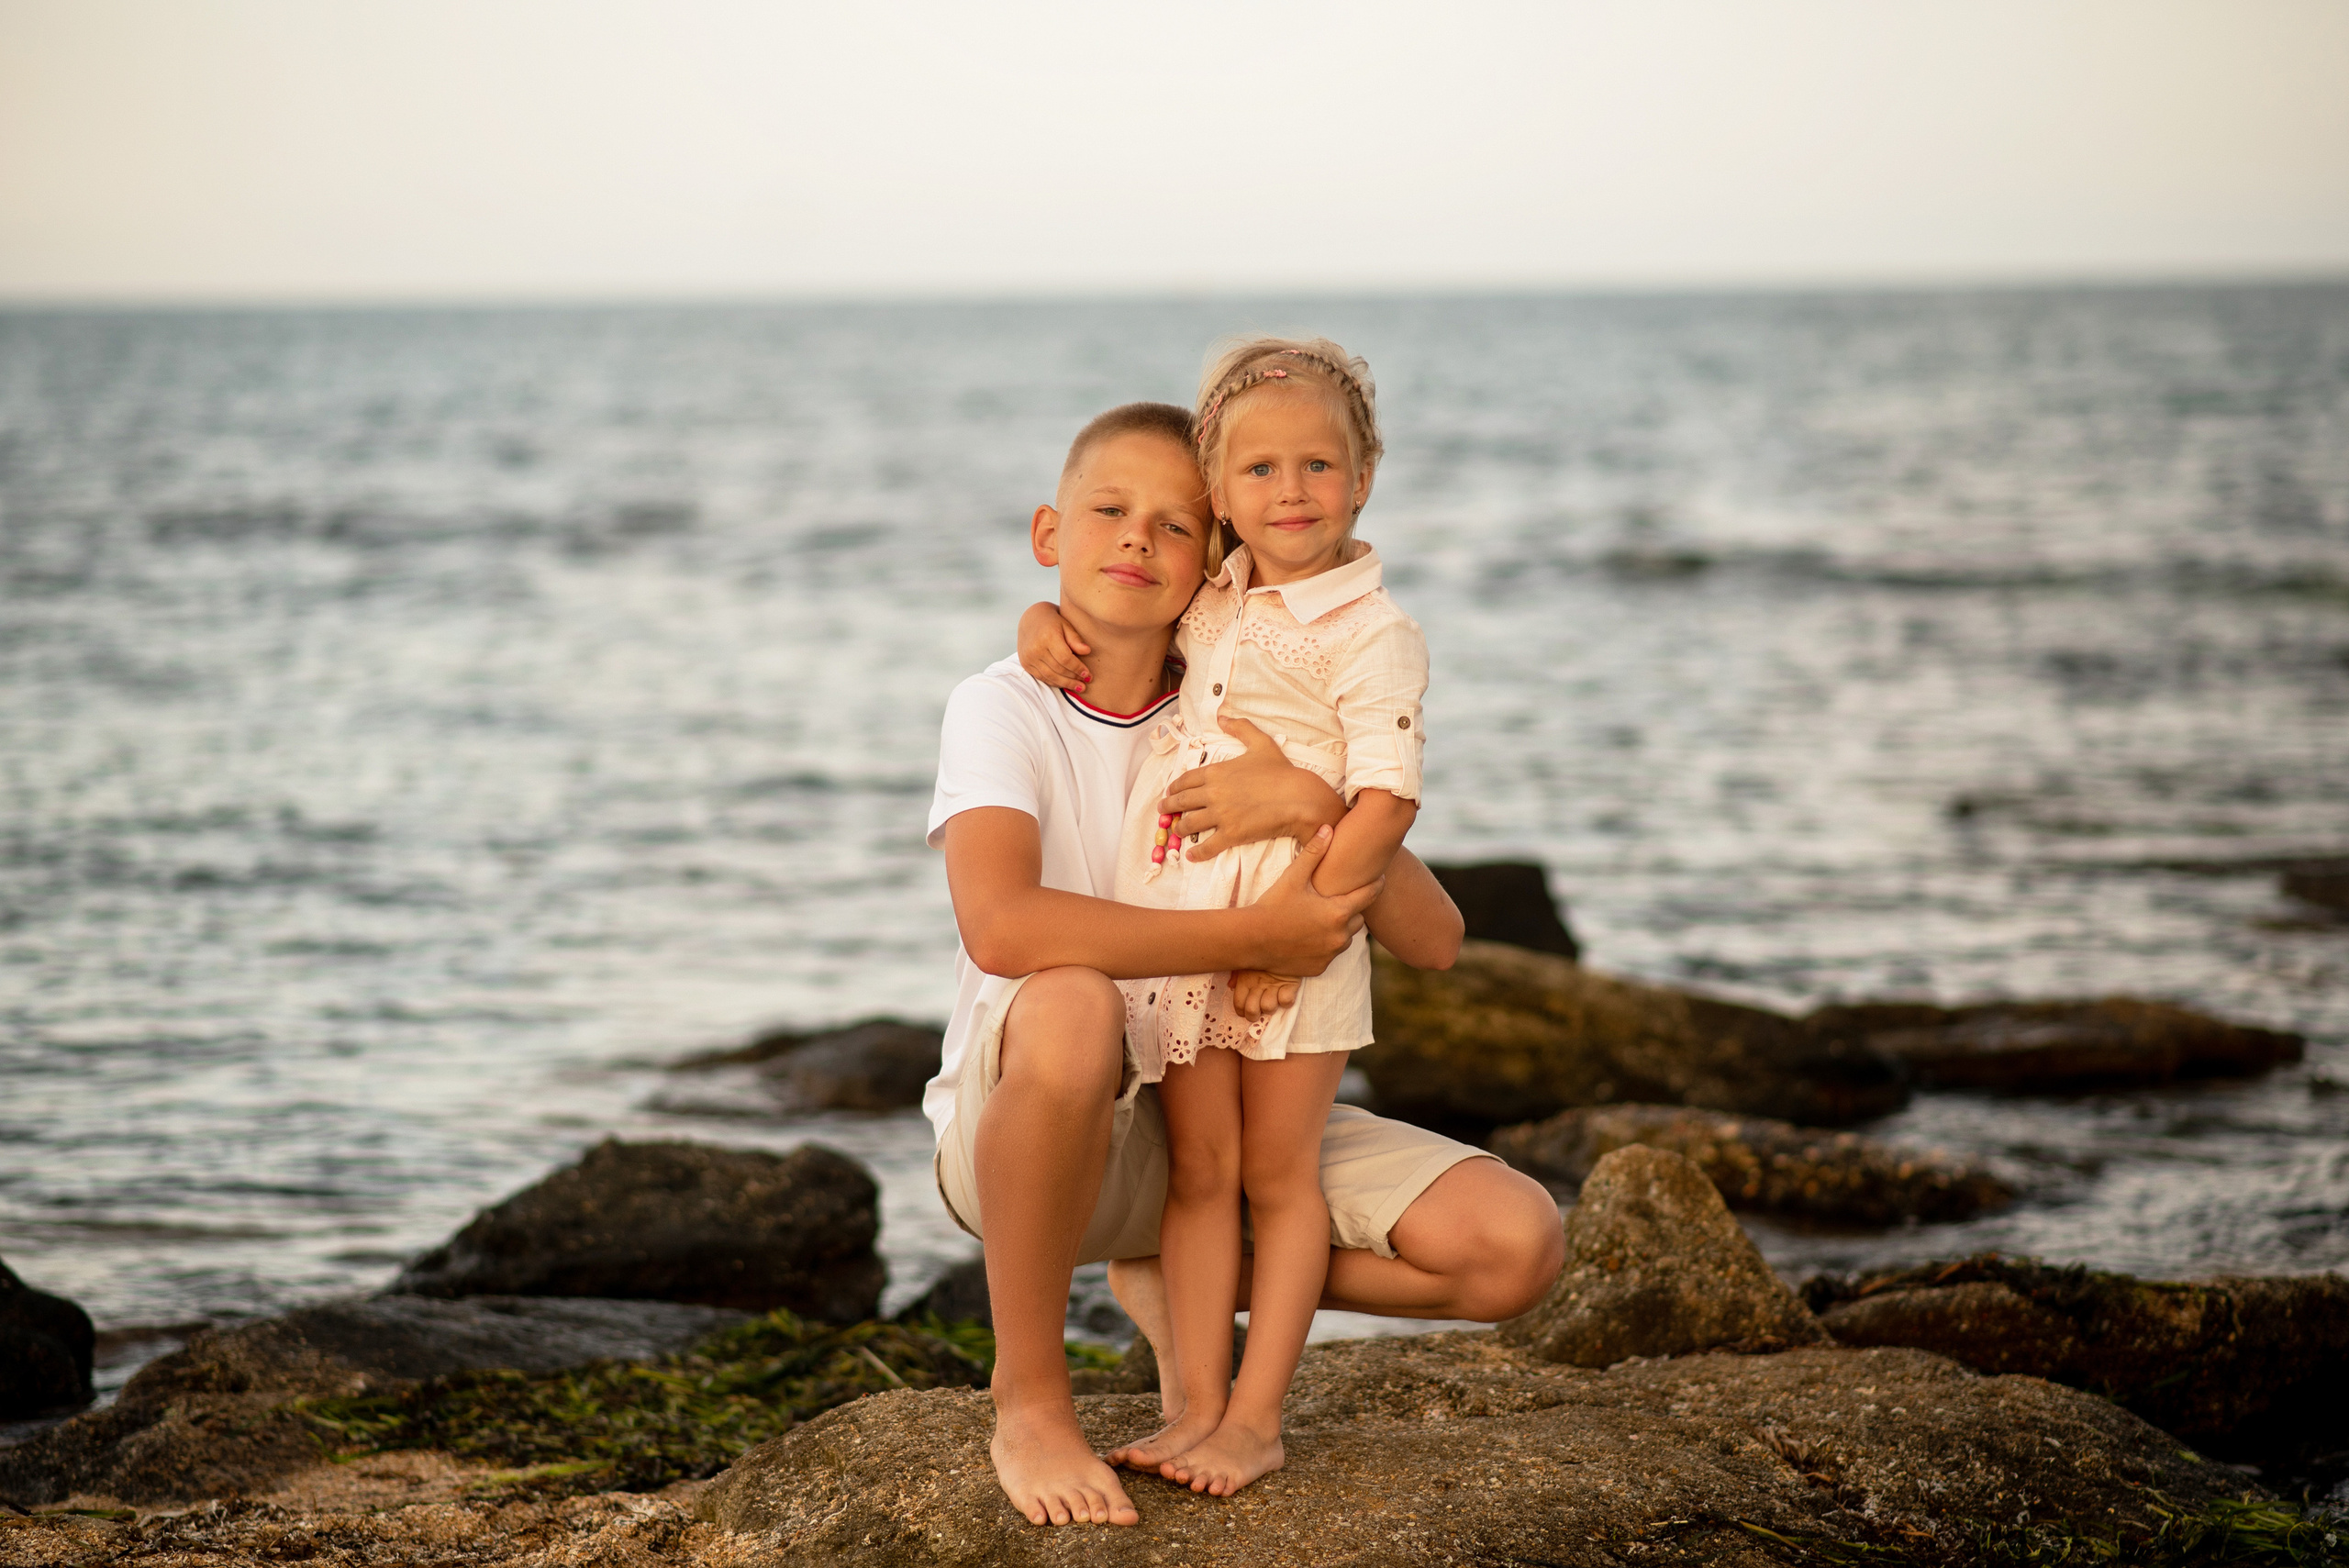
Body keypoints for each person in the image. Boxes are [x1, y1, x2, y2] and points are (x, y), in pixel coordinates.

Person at [927, 395, 1564, 1529]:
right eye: (1109, 512)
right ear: (1048, 533)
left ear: (1217, 556)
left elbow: (1435, 937)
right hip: (1040, 1135)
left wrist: (1317, 804)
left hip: (1211, 1110)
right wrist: (1251, 939)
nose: (1138, 539)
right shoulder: (1002, 704)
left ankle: (1190, 1279)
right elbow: (1004, 928)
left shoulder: (1253, 699)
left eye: (1177, 525)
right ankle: (1029, 1397)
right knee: (1072, 1004)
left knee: (1514, 1246)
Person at [1016, 338, 1419, 1498]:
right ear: (1222, 490)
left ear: (1365, 474)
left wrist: (1296, 935)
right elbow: (1109, 591)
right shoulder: (1222, 589)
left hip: (1298, 931)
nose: (1289, 491)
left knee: (1279, 1179)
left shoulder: (1373, 630)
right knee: (1200, 1168)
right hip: (1193, 912)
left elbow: (1389, 796)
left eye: (1317, 466)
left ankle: (1254, 1416)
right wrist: (1040, 622)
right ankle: (1192, 1399)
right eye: (1257, 472)